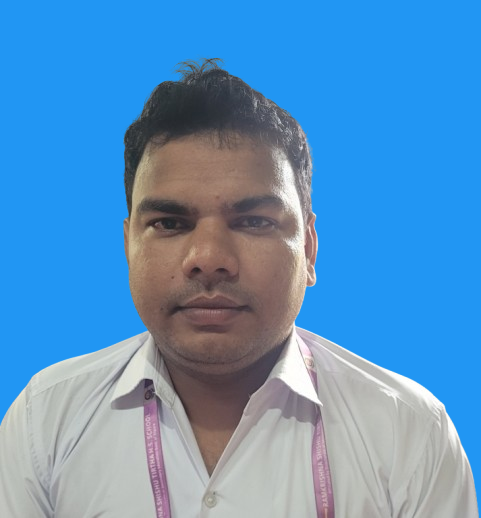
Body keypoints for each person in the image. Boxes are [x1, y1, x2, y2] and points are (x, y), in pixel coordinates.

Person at [0, 59, 477, 518]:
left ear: (309, 249)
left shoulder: (409, 432)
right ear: (128, 245)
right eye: (170, 222)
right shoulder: (46, 421)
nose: (209, 258)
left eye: (253, 221)